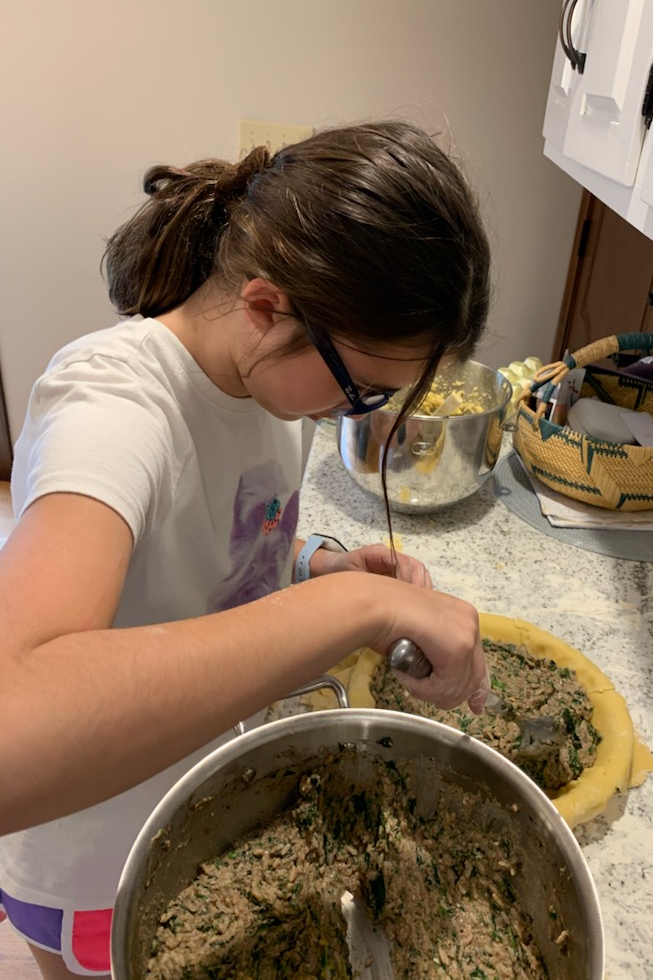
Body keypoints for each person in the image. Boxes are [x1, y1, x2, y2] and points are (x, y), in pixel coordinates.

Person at [0, 120, 492, 978]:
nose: (355, 415)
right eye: (361, 392)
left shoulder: (268, 390)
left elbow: (219, 535)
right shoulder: (112, 407)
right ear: (267, 306)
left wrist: (314, 567)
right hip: (87, 851)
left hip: (191, 787)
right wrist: (356, 606)